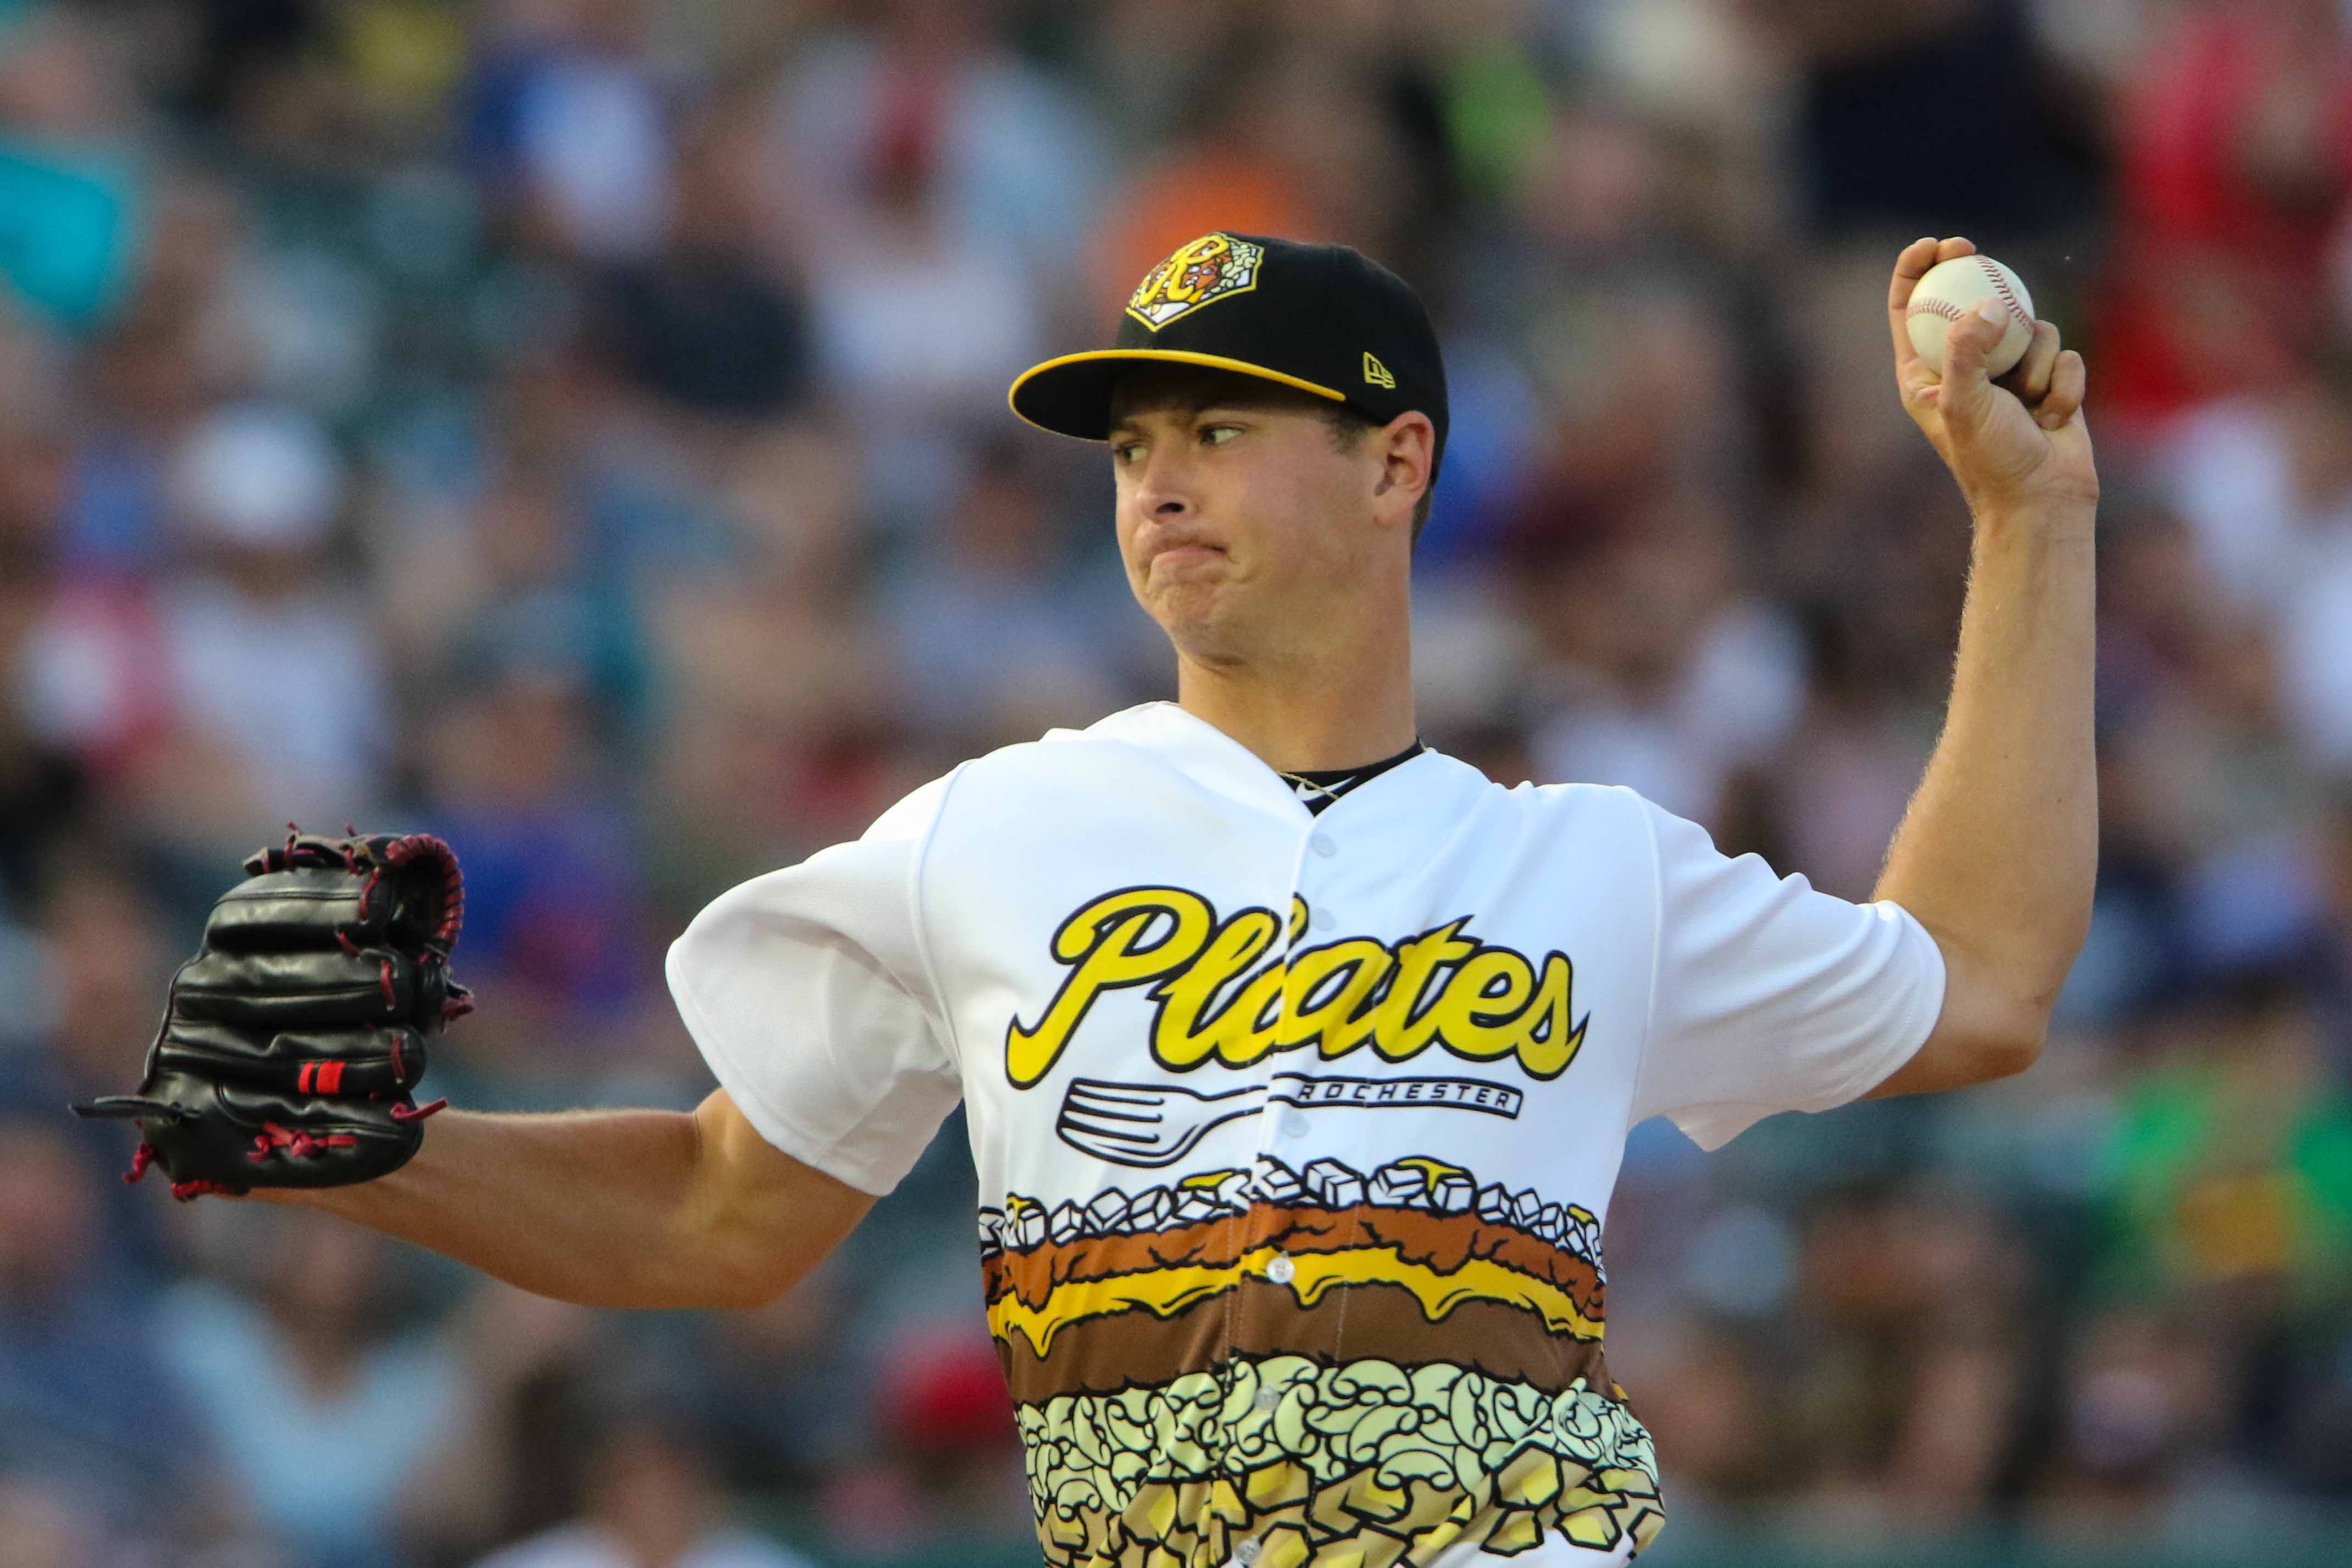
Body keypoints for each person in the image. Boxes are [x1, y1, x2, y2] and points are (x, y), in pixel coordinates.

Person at [219, 231, 2094, 1565]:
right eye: (1131, 447)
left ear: (1394, 461)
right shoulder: (992, 832)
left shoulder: (1592, 868)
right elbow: (723, 1212)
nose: (1156, 485)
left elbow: (1984, 983)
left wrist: (2028, 526)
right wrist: (354, 1147)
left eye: (1216, 430)